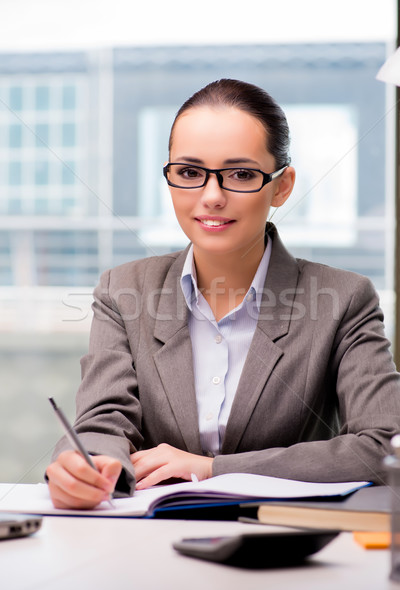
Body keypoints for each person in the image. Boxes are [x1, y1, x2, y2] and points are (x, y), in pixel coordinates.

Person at [46, 78, 400, 509]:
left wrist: (212, 469)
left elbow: (385, 446)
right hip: (147, 546)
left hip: (285, 545)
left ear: (282, 186)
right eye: (190, 173)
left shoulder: (344, 298)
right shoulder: (123, 290)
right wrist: (87, 464)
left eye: (241, 174)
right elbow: (103, 420)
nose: (211, 197)